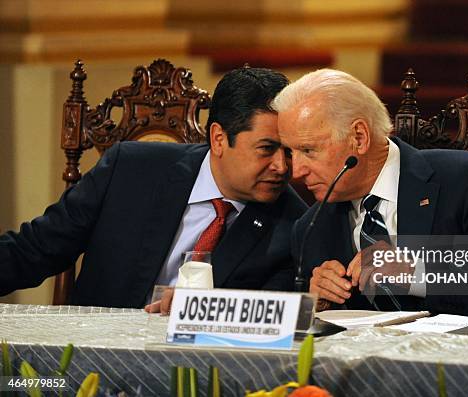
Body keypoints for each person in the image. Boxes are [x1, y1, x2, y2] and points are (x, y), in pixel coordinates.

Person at [0, 67, 307, 308]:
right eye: (267, 149)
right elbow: (35, 249)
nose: (282, 167)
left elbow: (274, 315)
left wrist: (202, 308)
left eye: (289, 151)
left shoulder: (295, 224)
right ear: (218, 139)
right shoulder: (129, 171)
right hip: (93, 364)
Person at [273, 68, 468, 318]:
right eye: (290, 152)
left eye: (308, 150)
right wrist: (313, 304)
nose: (296, 171)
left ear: (358, 138)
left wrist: (416, 274)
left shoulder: (465, 181)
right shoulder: (310, 228)